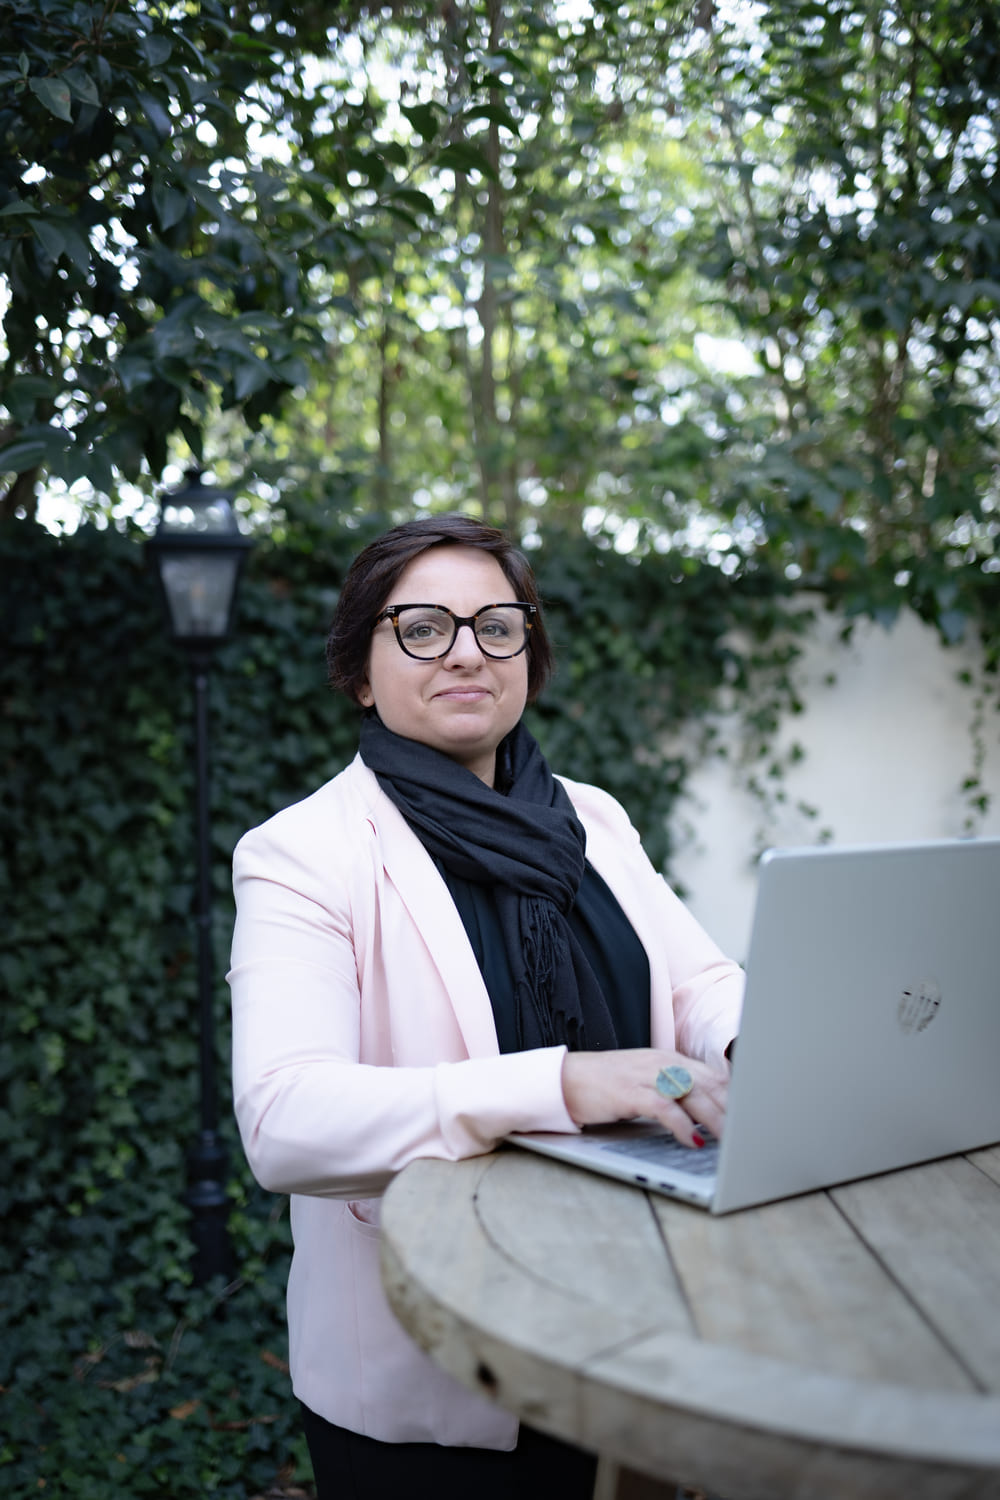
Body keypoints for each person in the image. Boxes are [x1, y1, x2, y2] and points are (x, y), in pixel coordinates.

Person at [228, 514, 743, 1500]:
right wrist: (563, 1083)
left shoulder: (591, 818)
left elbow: (695, 983)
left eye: (495, 626)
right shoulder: (304, 855)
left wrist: (756, 1038)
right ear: (362, 672)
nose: (466, 651)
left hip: (629, 1335)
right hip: (437, 1393)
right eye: (422, 627)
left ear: (527, 655)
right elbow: (286, 1122)